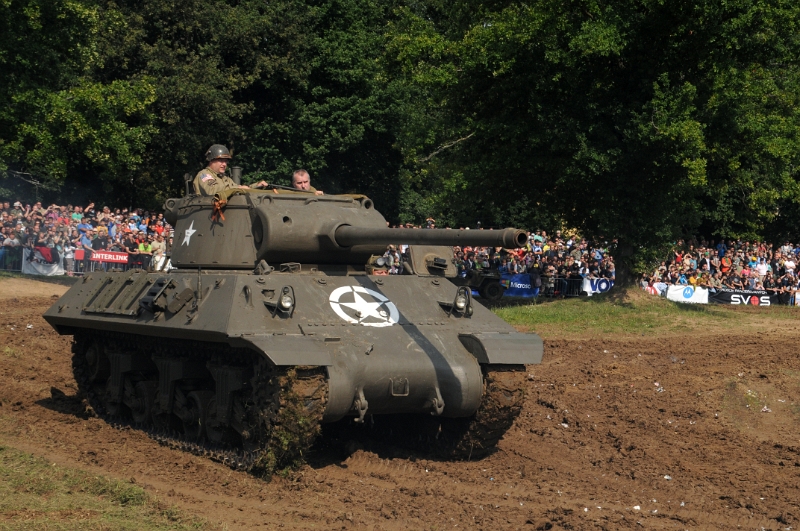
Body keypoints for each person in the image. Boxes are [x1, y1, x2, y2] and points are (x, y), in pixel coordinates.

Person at [193, 144, 267, 196]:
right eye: (221, 161)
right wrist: (237, 188)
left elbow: (238, 188)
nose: (224, 164)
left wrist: (256, 185)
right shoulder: (204, 175)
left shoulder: (225, 178)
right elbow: (211, 191)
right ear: (211, 161)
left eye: (225, 161)